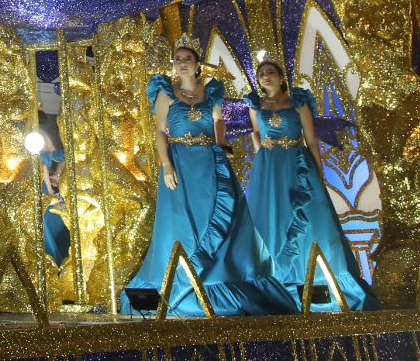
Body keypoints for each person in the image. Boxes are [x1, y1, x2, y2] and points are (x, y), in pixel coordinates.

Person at [121, 37, 294, 317]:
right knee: (184, 223)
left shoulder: (210, 90)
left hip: (209, 161)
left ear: (197, 64)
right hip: (180, 165)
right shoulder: (165, 91)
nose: (182, 63)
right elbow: (160, 132)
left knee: (225, 215)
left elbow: (218, 120)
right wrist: (167, 166)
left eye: (187, 58)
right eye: (178, 59)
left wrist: (220, 141)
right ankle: (182, 282)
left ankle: (224, 280)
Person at [245, 59, 377, 310]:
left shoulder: (298, 102)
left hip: (297, 163)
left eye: (270, 72)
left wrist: (318, 172)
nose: (265, 76)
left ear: (281, 78)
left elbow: (312, 140)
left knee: (307, 216)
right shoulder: (255, 105)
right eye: (261, 74)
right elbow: (256, 133)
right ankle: (275, 281)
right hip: (268, 168)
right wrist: (262, 155)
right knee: (270, 217)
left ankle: (316, 281)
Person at [35, 116, 71, 268]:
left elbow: (47, 166)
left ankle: (56, 256)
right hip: (44, 186)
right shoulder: (42, 139)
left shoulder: (38, 138)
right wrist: (55, 178)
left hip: (45, 187)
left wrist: (55, 179)